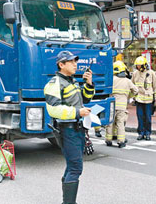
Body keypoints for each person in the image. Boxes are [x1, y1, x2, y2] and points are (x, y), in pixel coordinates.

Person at [44, 50, 94, 204]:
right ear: (61, 64)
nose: (75, 64)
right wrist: (78, 112)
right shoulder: (54, 83)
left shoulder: (72, 81)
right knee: (75, 168)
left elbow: (85, 98)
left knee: (72, 166)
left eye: (75, 61)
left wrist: (89, 83)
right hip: (67, 130)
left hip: (77, 129)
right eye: (71, 62)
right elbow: (53, 109)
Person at [106, 61, 138, 148]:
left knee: (110, 122)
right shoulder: (127, 81)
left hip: (112, 105)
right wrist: (129, 96)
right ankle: (121, 142)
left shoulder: (111, 80)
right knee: (120, 123)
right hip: (122, 106)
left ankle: (108, 140)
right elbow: (136, 91)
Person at [131, 56, 156, 140]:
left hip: (148, 99)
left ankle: (148, 133)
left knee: (148, 118)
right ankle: (141, 133)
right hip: (139, 99)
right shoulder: (135, 73)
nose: (138, 67)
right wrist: (132, 96)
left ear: (144, 65)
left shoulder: (151, 73)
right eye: (137, 65)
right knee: (140, 117)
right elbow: (131, 85)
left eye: (139, 65)